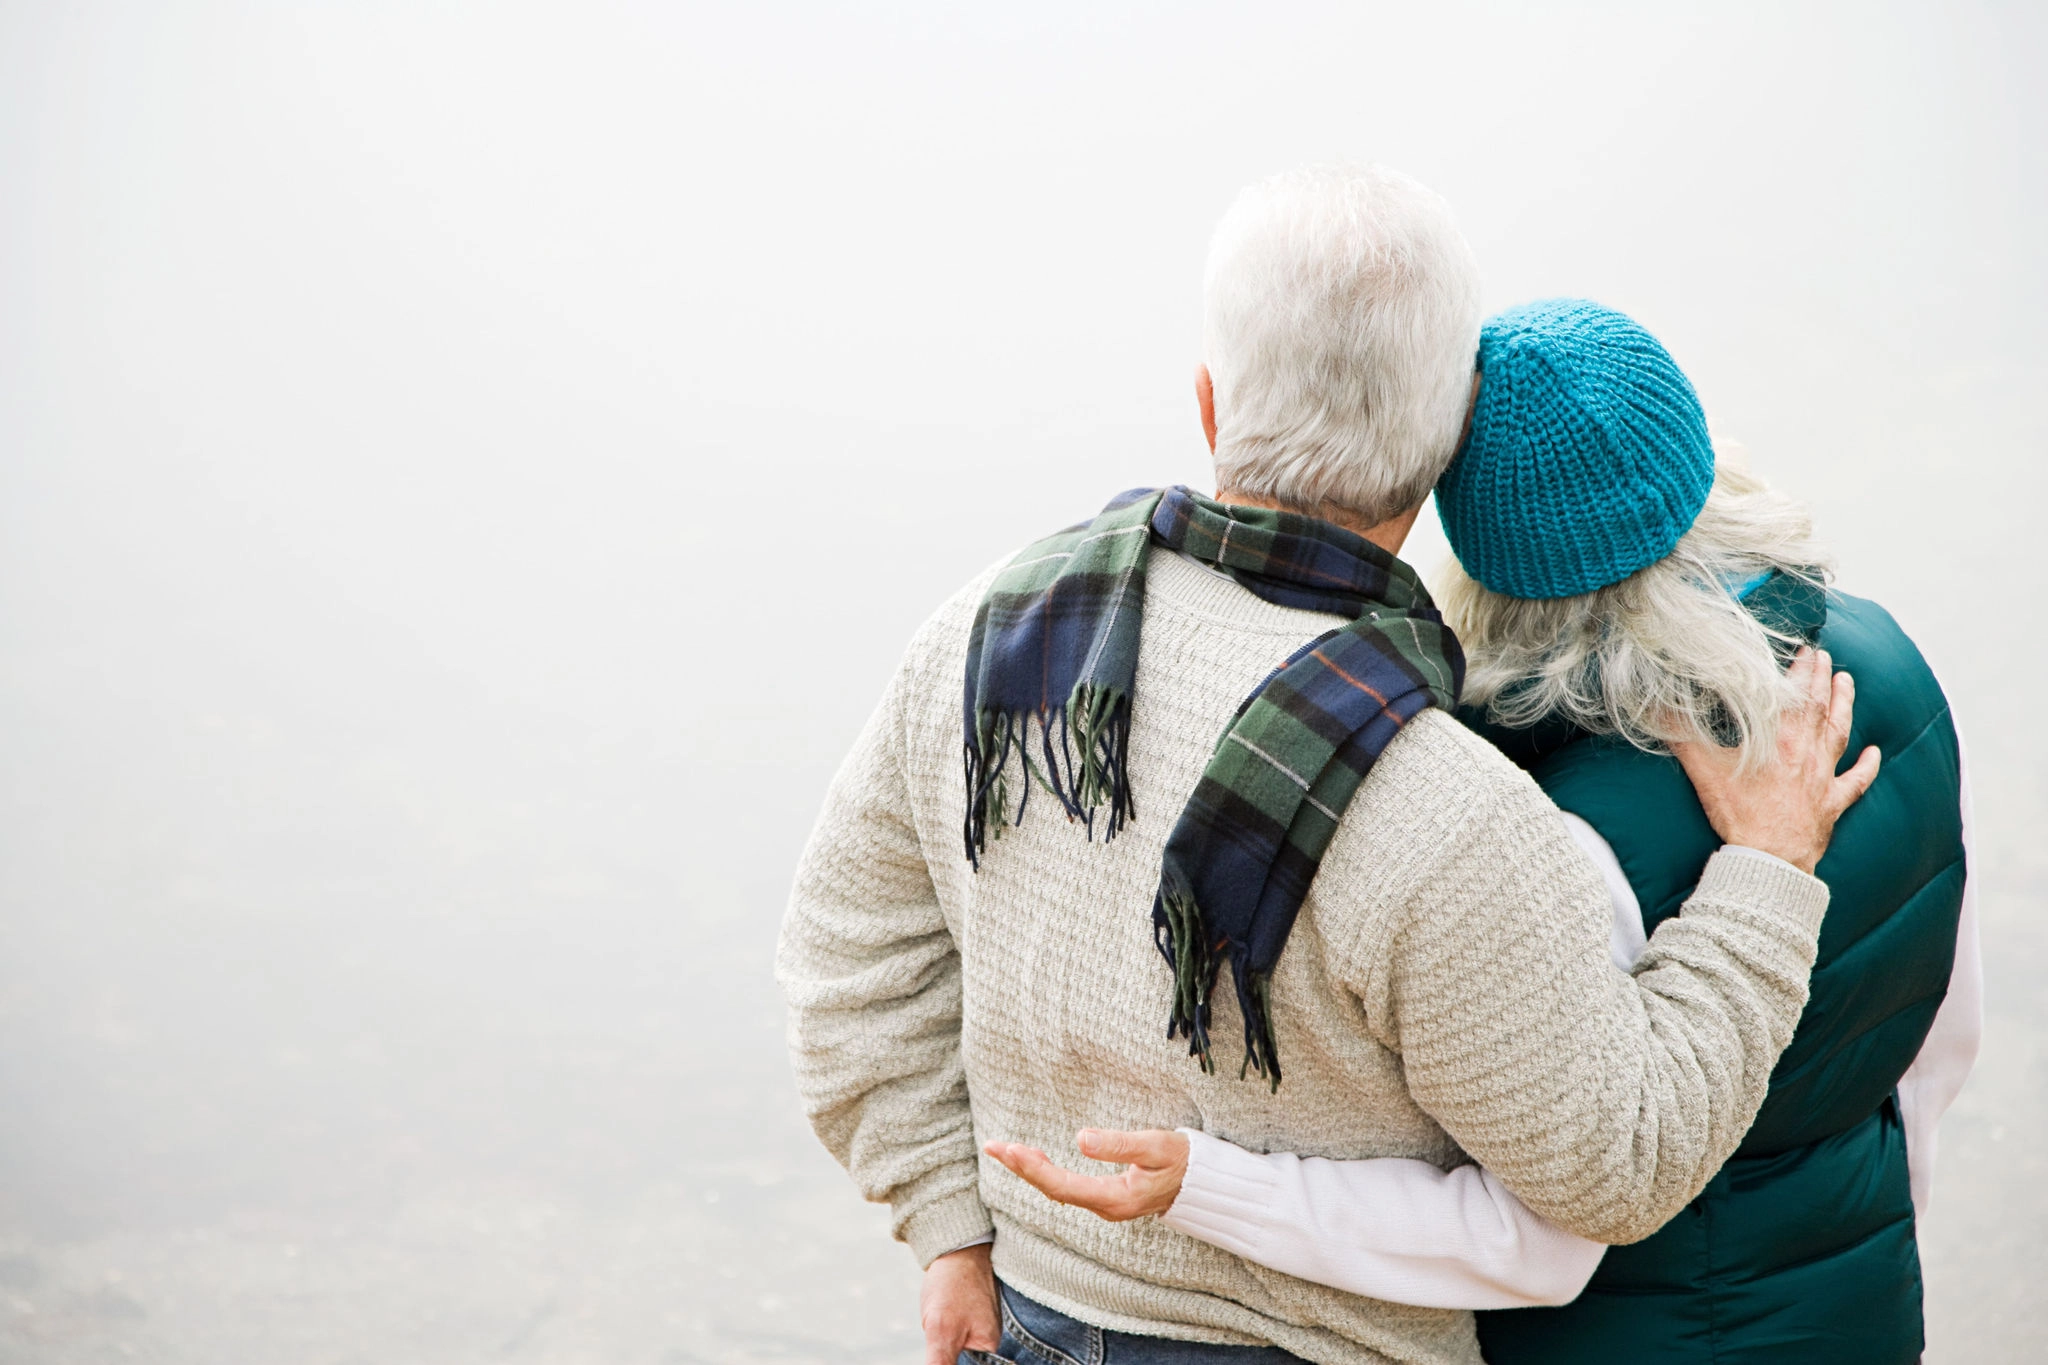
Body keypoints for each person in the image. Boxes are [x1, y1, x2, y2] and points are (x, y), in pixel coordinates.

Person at [776, 168, 1878, 1365]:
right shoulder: (1442, 802)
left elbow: (847, 963)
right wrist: (1765, 870)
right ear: (1446, 451)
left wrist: (948, 1227)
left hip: (1029, 1322)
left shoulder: (986, 634)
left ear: (1207, 402)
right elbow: (1614, 1166)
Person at [989, 300, 1975, 1364]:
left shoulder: (1556, 833)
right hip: (1862, 1310)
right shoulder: (1884, 672)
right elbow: (1932, 1049)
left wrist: (1211, 1185)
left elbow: (1529, 1241)